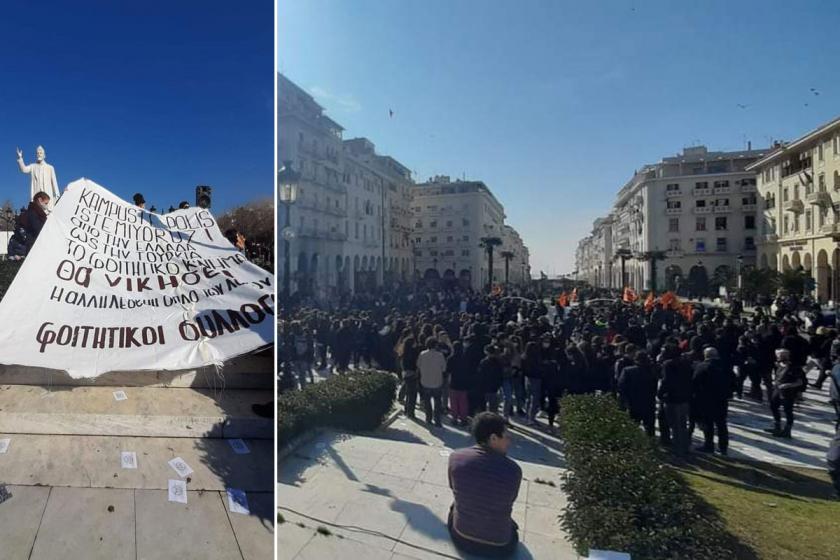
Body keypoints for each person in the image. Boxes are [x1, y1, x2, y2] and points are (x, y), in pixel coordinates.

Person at [448, 412, 521, 558]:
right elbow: (510, 499)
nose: (509, 440)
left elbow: (453, 486)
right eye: (506, 436)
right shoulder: (513, 470)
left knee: (454, 505)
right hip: (500, 547)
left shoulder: (456, 458)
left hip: (462, 538)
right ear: (493, 438)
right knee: (511, 525)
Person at [692, 347, 732, 454]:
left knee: (708, 424)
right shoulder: (725, 366)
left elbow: (695, 382)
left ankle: (709, 445)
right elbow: (732, 380)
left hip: (707, 399)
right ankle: (723, 447)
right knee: (721, 424)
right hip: (722, 399)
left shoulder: (702, 366)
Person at [764, 349, 804, 438]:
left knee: (788, 410)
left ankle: (787, 430)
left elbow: (800, 382)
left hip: (788, 392)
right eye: (778, 355)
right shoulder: (778, 365)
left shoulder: (794, 367)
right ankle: (777, 426)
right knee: (773, 406)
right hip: (777, 390)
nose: (779, 357)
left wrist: (788, 385)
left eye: (781, 355)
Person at [617, 350, 657, 437]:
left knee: (632, 429)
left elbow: (621, 386)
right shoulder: (652, 371)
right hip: (648, 403)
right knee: (650, 429)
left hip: (633, 403)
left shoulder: (628, 371)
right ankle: (652, 446)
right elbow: (655, 387)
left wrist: (624, 401)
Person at [417, 338, 446, 427]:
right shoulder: (440, 355)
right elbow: (444, 368)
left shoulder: (422, 354)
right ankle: (437, 420)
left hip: (425, 381)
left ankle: (428, 418)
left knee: (427, 402)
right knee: (437, 402)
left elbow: (418, 365)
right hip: (437, 382)